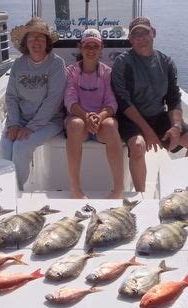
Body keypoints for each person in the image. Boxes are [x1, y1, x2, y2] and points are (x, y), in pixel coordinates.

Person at [111, 17, 188, 192]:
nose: (140, 38)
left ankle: (184, 190)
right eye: (135, 35)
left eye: (144, 33)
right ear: (130, 39)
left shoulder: (166, 62)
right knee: (138, 146)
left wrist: (176, 126)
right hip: (130, 119)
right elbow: (123, 102)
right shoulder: (123, 63)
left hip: (158, 116)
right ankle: (141, 195)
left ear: (153, 33)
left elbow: (173, 97)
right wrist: (148, 133)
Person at [0, 17, 66, 190]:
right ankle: (1, 189)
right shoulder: (18, 64)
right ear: (25, 42)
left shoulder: (57, 64)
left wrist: (32, 127)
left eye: (41, 37)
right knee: (5, 147)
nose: (36, 42)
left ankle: (15, 190)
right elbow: (11, 96)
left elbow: (54, 100)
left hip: (49, 121)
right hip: (20, 119)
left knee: (21, 146)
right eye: (32, 37)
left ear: (47, 42)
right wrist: (13, 123)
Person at [64, 28, 124, 199]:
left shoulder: (107, 72)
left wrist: (100, 117)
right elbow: (70, 101)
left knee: (111, 125)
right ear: (80, 47)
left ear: (101, 48)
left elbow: (111, 103)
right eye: (87, 46)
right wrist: (87, 116)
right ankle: (75, 189)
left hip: (101, 124)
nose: (91, 50)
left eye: (95, 46)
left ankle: (118, 189)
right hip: (80, 123)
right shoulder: (71, 71)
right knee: (75, 125)